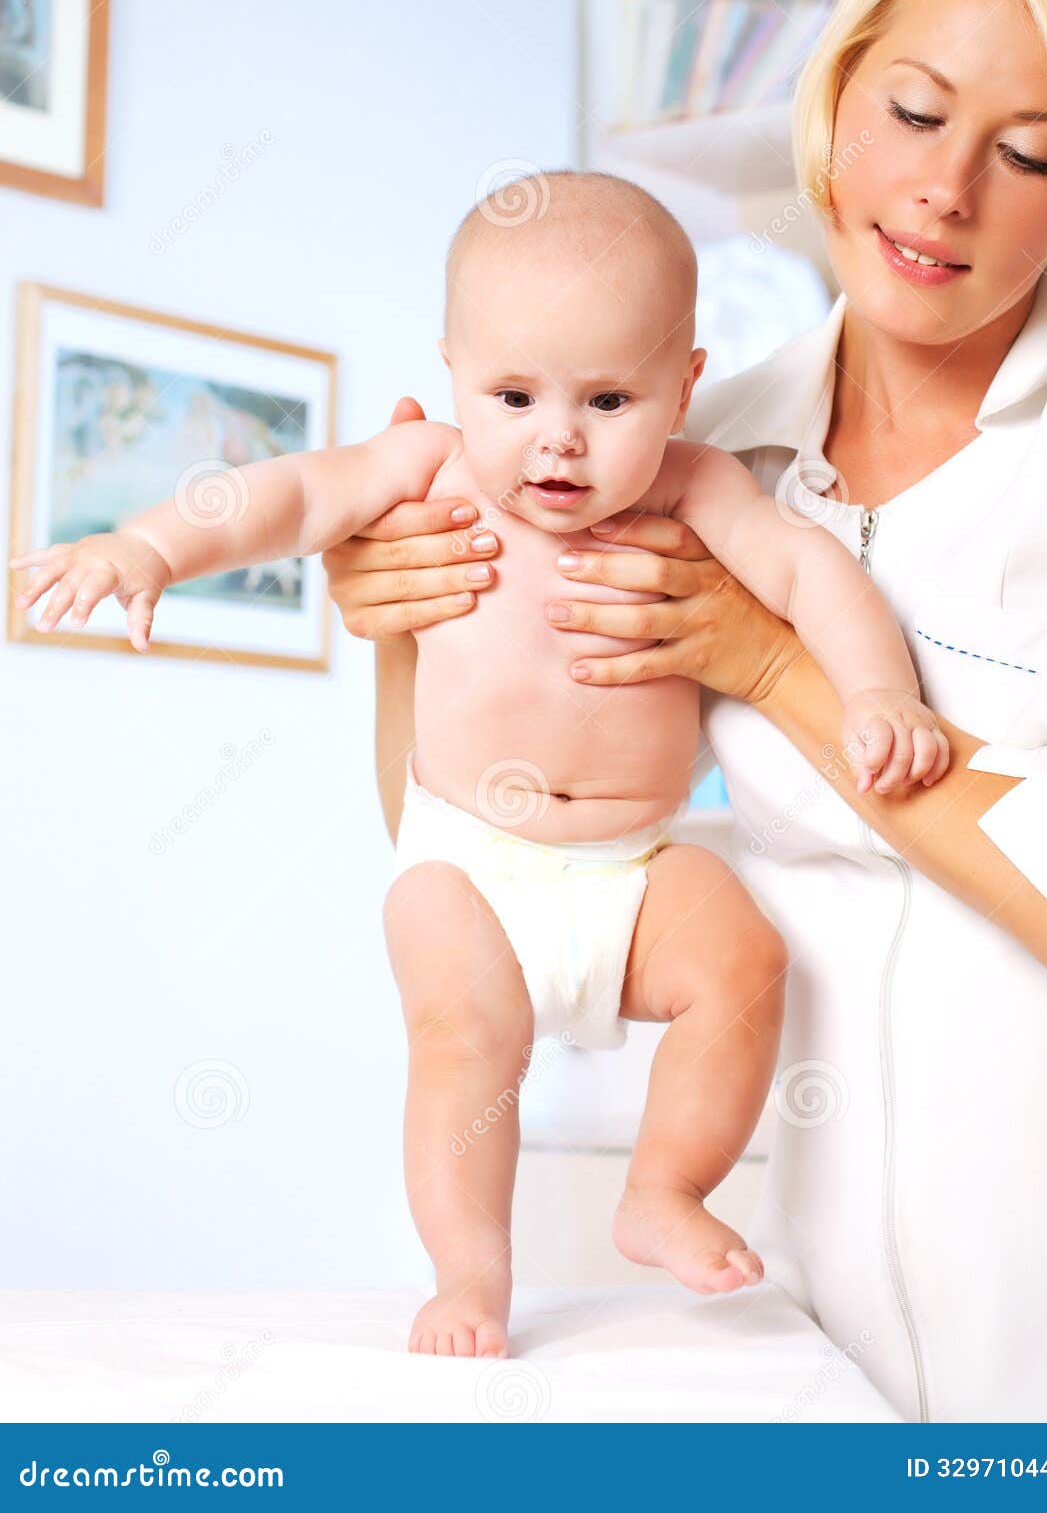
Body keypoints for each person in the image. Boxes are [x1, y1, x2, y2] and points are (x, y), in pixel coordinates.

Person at [322, 0, 1047, 1420]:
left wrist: (769, 657)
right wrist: (405, 608)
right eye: (912, 112)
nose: (943, 193)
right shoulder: (699, 434)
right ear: (834, 98)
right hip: (824, 1283)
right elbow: (471, 816)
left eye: (1027, 153)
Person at [9, 172, 953, 1362]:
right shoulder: (431, 468)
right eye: (513, 393)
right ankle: (470, 1272)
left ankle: (663, 1186)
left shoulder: (699, 487)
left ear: (685, 388)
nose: (556, 436)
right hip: (467, 857)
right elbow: (288, 495)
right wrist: (149, 545)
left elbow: (816, 577)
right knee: (464, 1039)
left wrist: (877, 692)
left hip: (634, 865)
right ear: (453, 370)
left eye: (610, 397)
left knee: (746, 962)